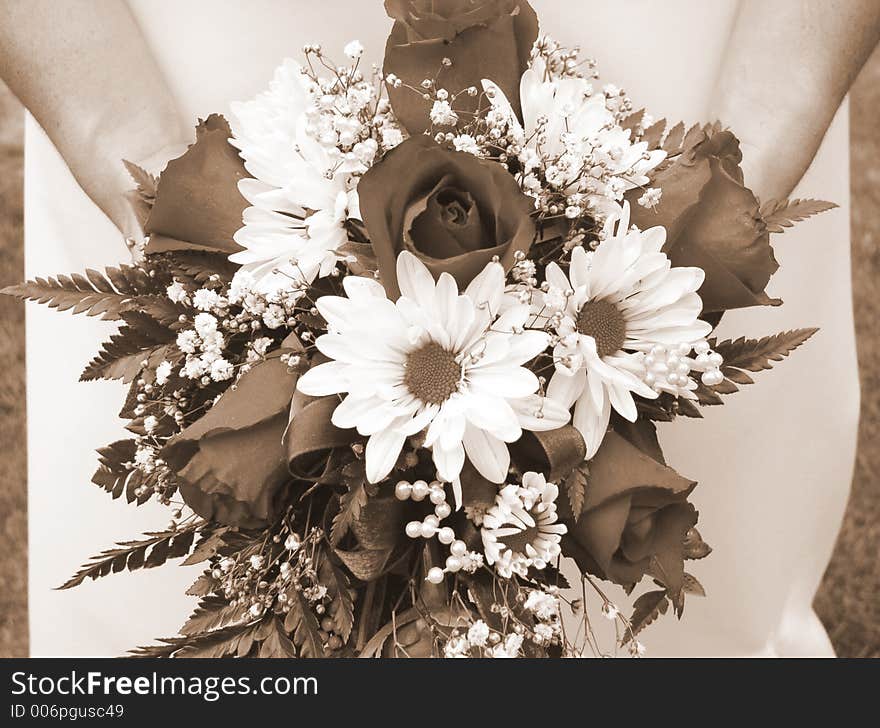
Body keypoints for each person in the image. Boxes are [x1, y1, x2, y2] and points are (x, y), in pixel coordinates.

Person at [2, 0, 877, 657]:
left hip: (672, 78)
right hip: (191, 78)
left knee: (704, 627)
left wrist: (733, 184)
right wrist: (148, 170)